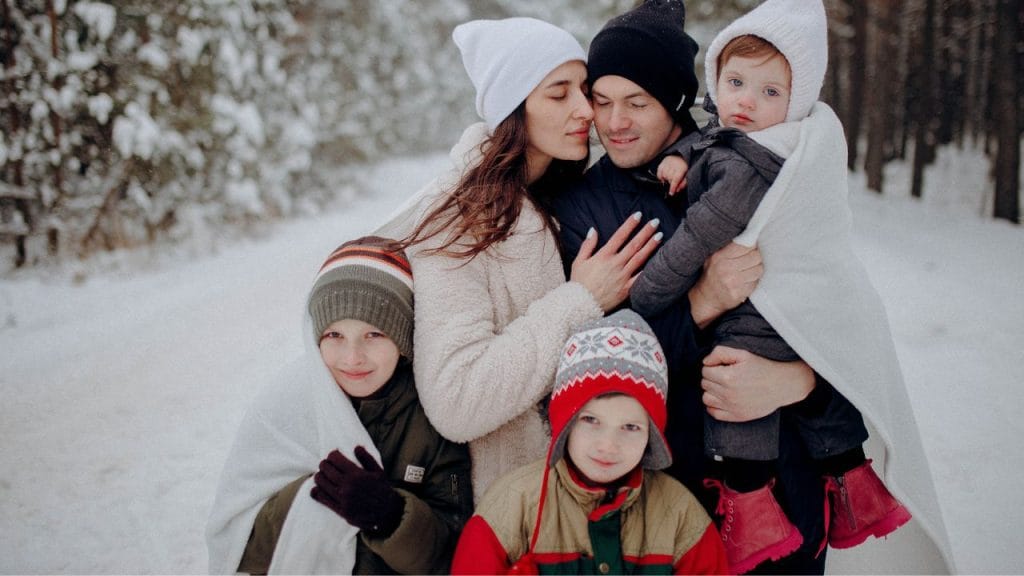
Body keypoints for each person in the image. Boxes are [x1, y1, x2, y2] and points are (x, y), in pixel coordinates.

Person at [553, 1, 954, 574]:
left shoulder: (773, 169)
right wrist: (701, 303)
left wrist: (800, 383)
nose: (614, 122)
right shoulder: (581, 210)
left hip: (789, 488)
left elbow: (832, 309)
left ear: (675, 100)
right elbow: (586, 373)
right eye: (602, 101)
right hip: (671, 496)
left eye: (636, 103)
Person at [372, 17, 662, 503]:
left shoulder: (560, 196)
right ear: (513, 107)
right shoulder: (462, 221)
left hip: (581, 494)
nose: (585, 110)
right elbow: (456, 398)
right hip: (510, 508)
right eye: (558, 93)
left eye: (584, 90)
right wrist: (581, 300)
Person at [205, 236, 473, 574]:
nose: (352, 357)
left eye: (375, 334)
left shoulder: (432, 416)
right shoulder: (285, 406)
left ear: (403, 338)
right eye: (334, 335)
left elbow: (455, 555)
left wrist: (390, 516)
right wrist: (310, 502)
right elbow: (237, 544)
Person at [450, 310, 729, 575]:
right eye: (591, 421)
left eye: (630, 427)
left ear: (651, 435)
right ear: (565, 423)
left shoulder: (680, 514)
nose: (608, 445)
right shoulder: (512, 505)